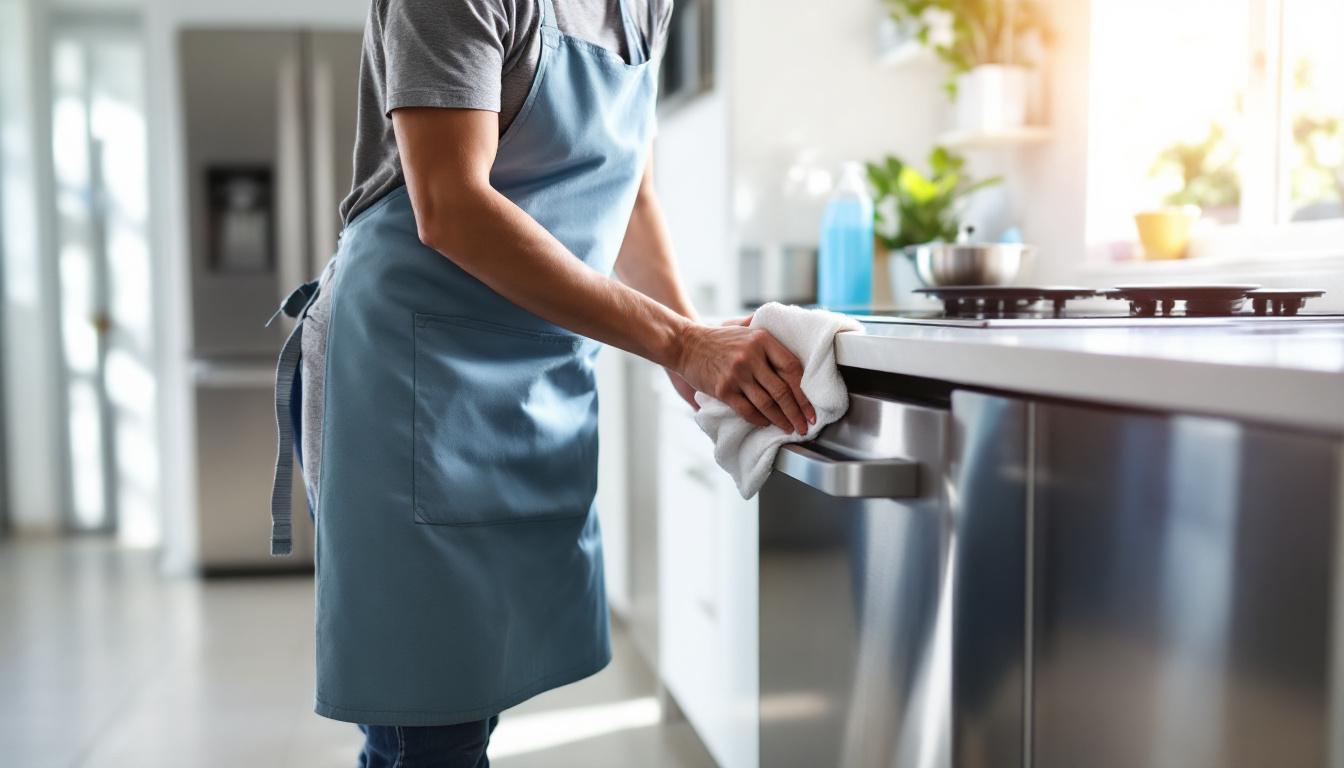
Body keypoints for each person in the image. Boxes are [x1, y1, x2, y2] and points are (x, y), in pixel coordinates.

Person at [270, 0, 814, 765]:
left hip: (531, 378)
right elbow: (450, 204)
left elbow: (633, 196)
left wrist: (689, 348)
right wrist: (680, 341)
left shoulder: (645, 7)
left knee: (471, 697)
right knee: (425, 724)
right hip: (405, 379)